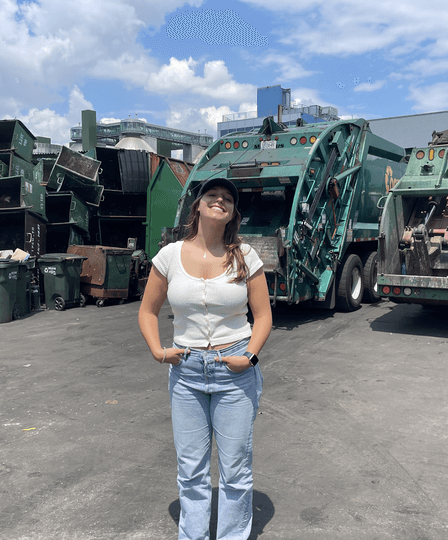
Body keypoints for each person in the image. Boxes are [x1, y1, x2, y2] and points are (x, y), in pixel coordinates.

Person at [138, 177, 272, 540]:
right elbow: (148, 311)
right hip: (186, 372)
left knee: (235, 468)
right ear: (196, 206)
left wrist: (250, 357)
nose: (219, 200)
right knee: (191, 470)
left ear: (233, 213)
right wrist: (157, 350)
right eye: (212, 195)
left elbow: (263, 317)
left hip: (235, 371)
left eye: (228, 198)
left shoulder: (245, 256)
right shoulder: (169, 255)